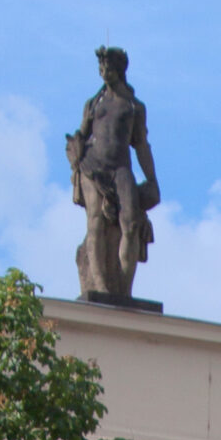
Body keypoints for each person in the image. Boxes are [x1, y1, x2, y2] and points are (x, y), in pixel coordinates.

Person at [66, 47, 160, 303]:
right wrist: (77, 146)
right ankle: (99, 285)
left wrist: (151, 178)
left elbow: (141, 145)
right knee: (95, 220)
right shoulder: (93, 103)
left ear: (119, 70)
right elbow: (82, 135)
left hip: (121, 169)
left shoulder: (134, 106)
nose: (103, 72)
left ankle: (123, 289)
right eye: (101, 68)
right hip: (93, 166)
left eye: (107, 68)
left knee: (130, 223)